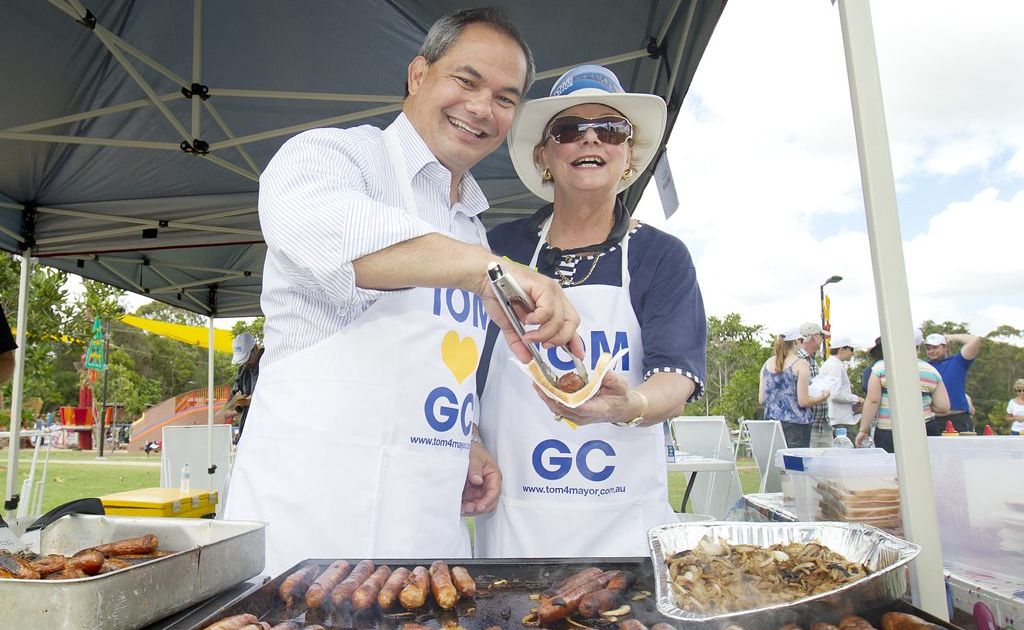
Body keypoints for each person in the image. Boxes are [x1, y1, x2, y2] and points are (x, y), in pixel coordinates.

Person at [223, 8, 583, 576]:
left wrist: (463, 439)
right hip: (308, 529)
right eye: (466, 81)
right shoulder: (330, 157)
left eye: (505, 98)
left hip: (424, 536)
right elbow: (345, 239)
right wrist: (489, 270)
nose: (482, 108)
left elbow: (431, 364)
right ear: (419, 76)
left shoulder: (471, 229)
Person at [473, 65, 707, 557]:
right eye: (569, 130)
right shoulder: (497, 248)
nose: (590, 140)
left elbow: (676, 376)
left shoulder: (659, 256)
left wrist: (630, 405)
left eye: (611, 129)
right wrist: (468, 440)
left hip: (625, 532)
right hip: (517, 528)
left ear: (628, 155)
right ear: (544, 155)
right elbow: (460, 375)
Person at [855, 336, 950, 452]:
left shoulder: (880, 367)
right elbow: (943, 406)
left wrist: (863, 430)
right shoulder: (931, 370)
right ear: (918, 348)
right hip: (925, 427)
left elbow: (873, 400)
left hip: (889, 429)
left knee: (893, 467)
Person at [759, 328, 829, 448]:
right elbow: (803, 401)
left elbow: (762, 399)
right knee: (795, 466)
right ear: (796, 342)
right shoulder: (801, 364)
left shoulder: (767, 364)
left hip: (771, 425)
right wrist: (823, 397)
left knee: (776, 464)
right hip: (796, 426)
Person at [924, 331, 981, 434]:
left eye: (935, 347)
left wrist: (950, 337)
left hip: (958, 419)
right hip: (932, 420)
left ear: (945, 347)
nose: (931, 351)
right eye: (928, 348)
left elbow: (975, 340)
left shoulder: (958, 361)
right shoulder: (924, 366)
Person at [218, 332, 263, 443]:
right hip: (248, 430)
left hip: (265, 430)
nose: (245, 363)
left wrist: (253, 400)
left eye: (247, 358)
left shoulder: (270, 362)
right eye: (242, 360)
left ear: (255, 349)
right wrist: (239, 401)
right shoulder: (243, 370)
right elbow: (233, 399)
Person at [819, 335, 862, 438]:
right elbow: (835, 394)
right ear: (842, 349)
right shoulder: (835, 366)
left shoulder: (830, 364)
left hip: (836, 418)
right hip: (840, 420)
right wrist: (857, 399)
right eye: (851, 349)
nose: (852, 352)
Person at [797, 322, 831, 447]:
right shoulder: (798, 360)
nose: (823, 339)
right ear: (814, 337)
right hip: (807, 426)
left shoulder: (811, 359)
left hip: (822, 424)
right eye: (821, 336)